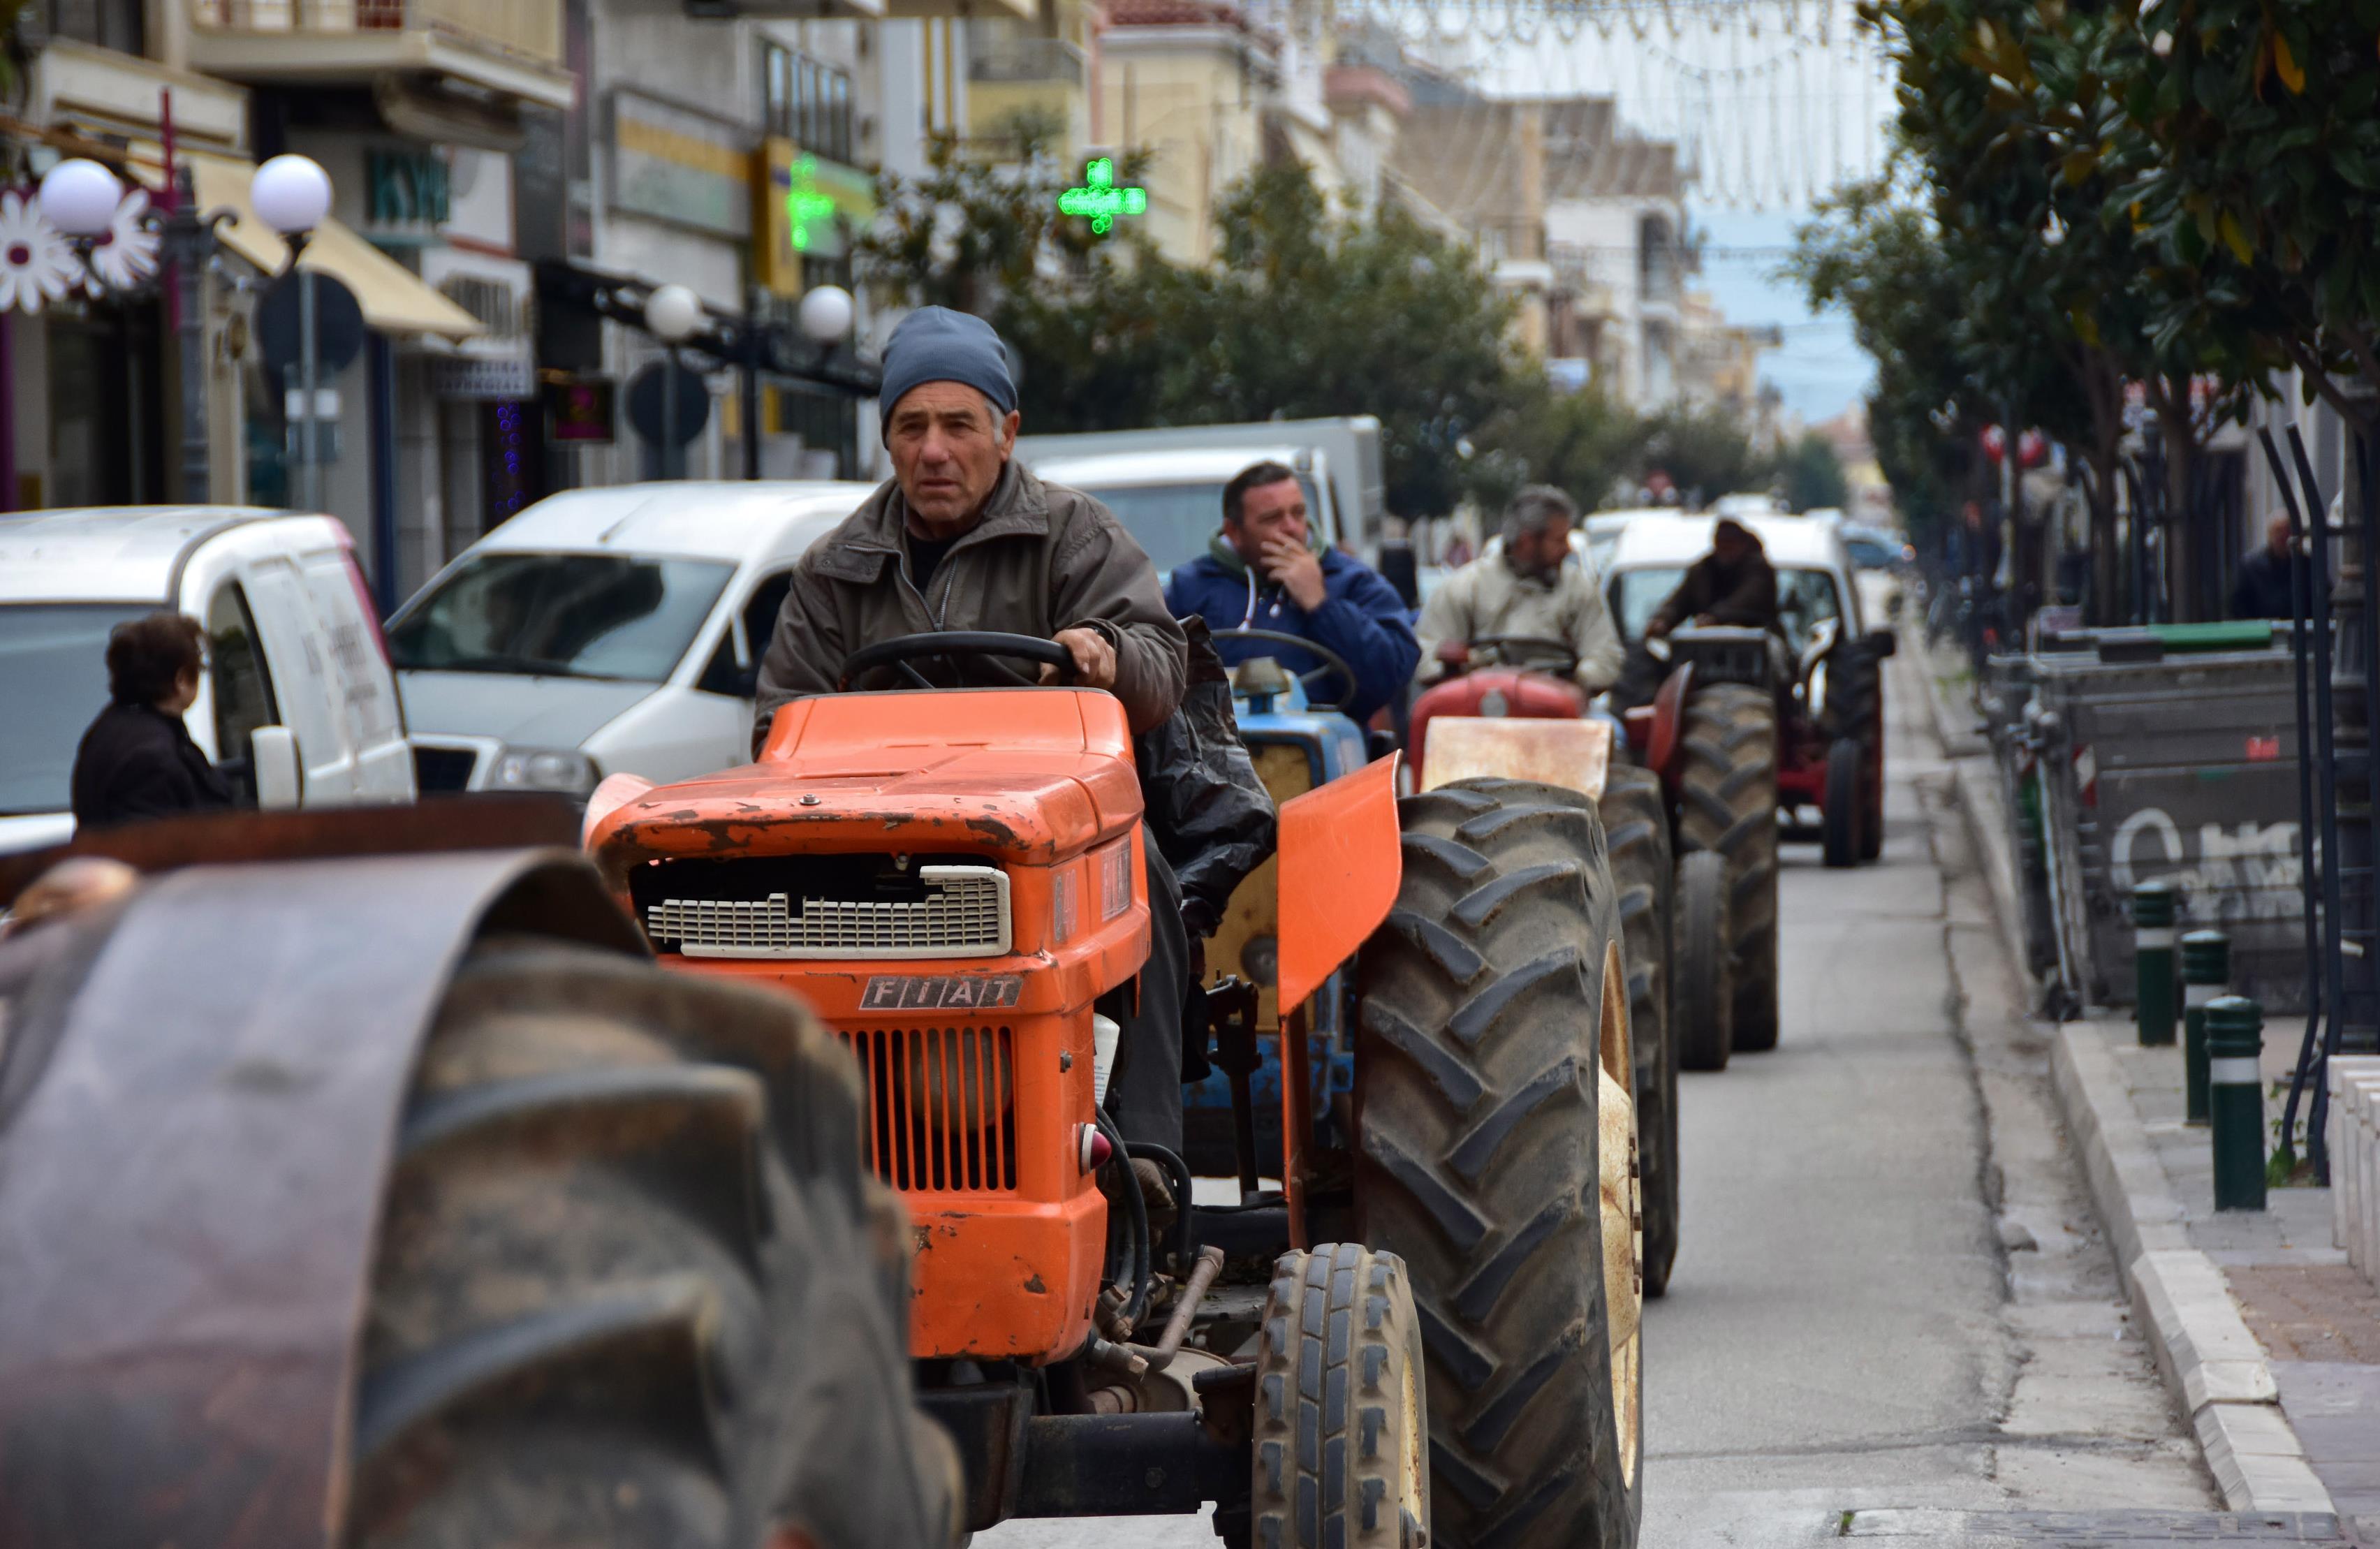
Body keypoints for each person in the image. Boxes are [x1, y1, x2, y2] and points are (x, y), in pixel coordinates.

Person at [752, 305, 1193, 1163]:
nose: (934, 450)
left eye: (958, 425)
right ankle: (809, 1144)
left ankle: (1143, 1150)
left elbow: (1162, 665)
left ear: (1007, 433)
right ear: (887, 441)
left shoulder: (1076, 535)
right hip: (881, 829)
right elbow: (781, 724)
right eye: (911, 426)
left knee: (1144, 885)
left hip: (1052, 825)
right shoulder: (835, 569)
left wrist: (1105, 654)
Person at [1163, 460, 1420, 723]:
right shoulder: (1191, 587)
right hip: (1215, 739)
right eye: (1272, 518)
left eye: (1298, 513)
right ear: (1234, 532)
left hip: (1328, 740)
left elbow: (1389, 677)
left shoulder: (1352, 580)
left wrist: (1322, 605)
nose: (1292, 528)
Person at [1416, 485, 1626, 695]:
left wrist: (1576, 680)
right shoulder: (1465, 588)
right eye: (1559, 539)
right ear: (1527, 541)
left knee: (1606, 719)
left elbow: (1605, 654)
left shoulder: (1578, 589)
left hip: (1557, 706)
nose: (1568, 548)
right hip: (1476, 704)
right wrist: (1458, 667)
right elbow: (1425, 654)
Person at [68, 612, 235, 832]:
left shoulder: (106, 730)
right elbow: (152, 847)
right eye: (199, 669)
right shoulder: (151, 759)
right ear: (181, 679)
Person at [1645, 517, 1780, 639]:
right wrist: (1663, 619)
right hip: (1704, 643)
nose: (1726, 549)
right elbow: (1680, 600)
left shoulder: (1759, 569)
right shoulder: (1703, 571)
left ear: (1742, 544)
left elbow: (1749, 596)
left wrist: (1716, 617)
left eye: (1731, 544)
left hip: (1757, 638)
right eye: (1721, 543)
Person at [2231, 512, 2297, 620]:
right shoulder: (2250, 566)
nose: (2282, 536)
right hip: (2260, 627)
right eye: (2278, 531)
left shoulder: (2303, 565)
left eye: (2287, 531)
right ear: (2270, 534)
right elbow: (2239, 604)